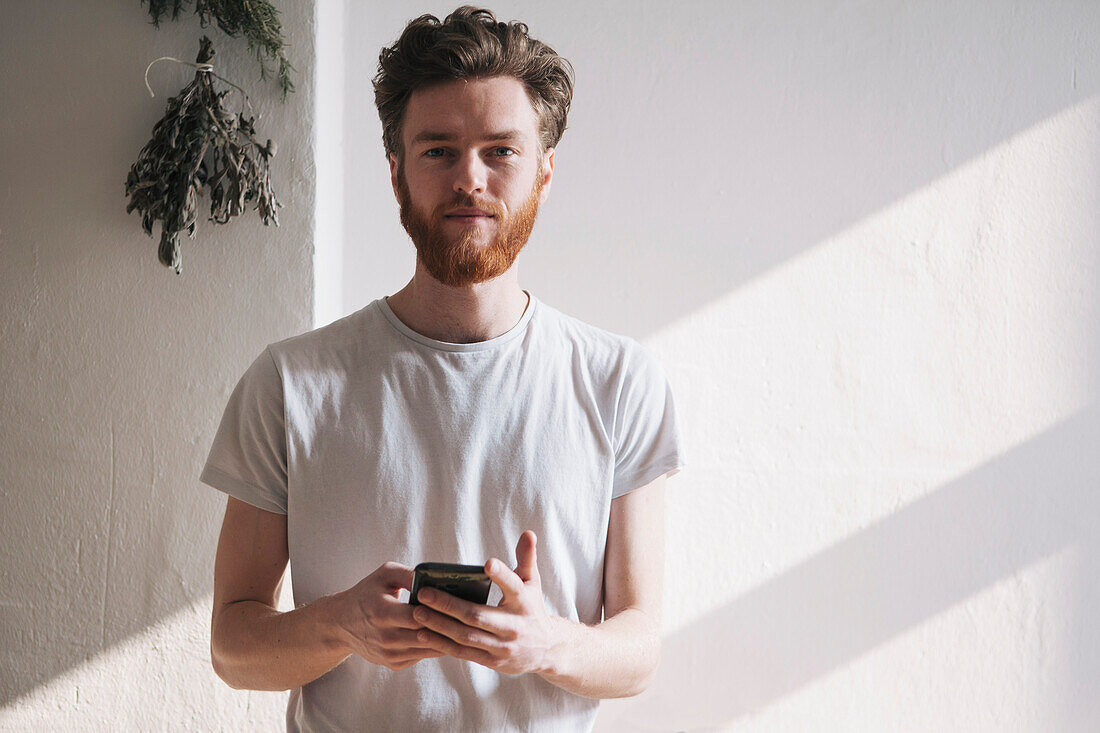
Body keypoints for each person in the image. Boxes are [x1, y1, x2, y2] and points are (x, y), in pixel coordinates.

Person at [201, 6, 686, 731]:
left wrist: (543, 642)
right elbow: (233, 647)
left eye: (501, 151)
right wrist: (340, 624)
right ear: (396, 173)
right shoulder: (289, 384)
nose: (470, 178)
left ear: (545, 172)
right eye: (438, 151)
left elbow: (639, 647)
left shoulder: (619, 380)